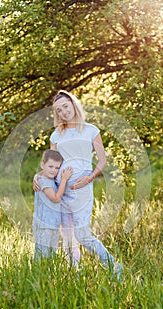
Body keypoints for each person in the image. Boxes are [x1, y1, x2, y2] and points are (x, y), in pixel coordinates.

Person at [33, 90, 124, 279]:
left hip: (82, 188)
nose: (64, 112)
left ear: (73, 104)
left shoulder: (91, 130)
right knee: (67, 237)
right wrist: (39, 175)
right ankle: (74, 274)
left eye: (66, 106)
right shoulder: (56, 135)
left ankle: (116, 268)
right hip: (61, 188)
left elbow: (102, 161)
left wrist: (90, 178)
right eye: (59, 110)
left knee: (83, 235)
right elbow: (53, 162)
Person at [32, 149, 73, 259]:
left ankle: (47, 275)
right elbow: (56, 198)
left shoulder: (51, 180)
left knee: (50, 254)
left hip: (53, 224)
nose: (54, 170)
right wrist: (64, 179)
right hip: (44, 225)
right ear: (42, 165)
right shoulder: (43, 181)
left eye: (57, 168)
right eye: (50, 167)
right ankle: (38, 274)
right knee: (42, 254)